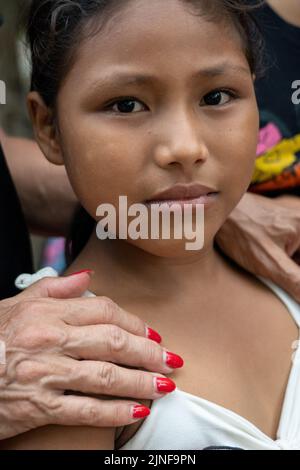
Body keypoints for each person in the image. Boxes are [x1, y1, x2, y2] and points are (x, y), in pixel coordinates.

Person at [3, 0, 300, 450]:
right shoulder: (62, 369)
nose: (184, 147)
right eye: (126, 105)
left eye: (216, 96)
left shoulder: (286, 276)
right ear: (48, 127)